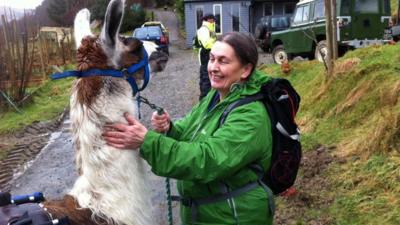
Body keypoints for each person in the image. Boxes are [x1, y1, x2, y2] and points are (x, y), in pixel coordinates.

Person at [103, 32, 274, 225]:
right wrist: (170, 128)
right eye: (211, 59)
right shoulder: (216, 96)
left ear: (245, 70)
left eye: (223, 61)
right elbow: (192, 131)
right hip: (208, 213)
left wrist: (147, 142)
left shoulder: (251, 116)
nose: (213, 68)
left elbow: (207, 160)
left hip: (233, 216)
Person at [196, 14, 217, 100]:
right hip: (205, 56)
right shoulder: (203, 29)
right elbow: (207, 44)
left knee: (211, 76)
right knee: (205, 78)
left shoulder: (210, 29)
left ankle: (210, 97)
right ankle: (204, 99)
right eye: (213, 20)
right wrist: (217, 44)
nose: (214, 21)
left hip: (209, 55)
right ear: (209, 20)